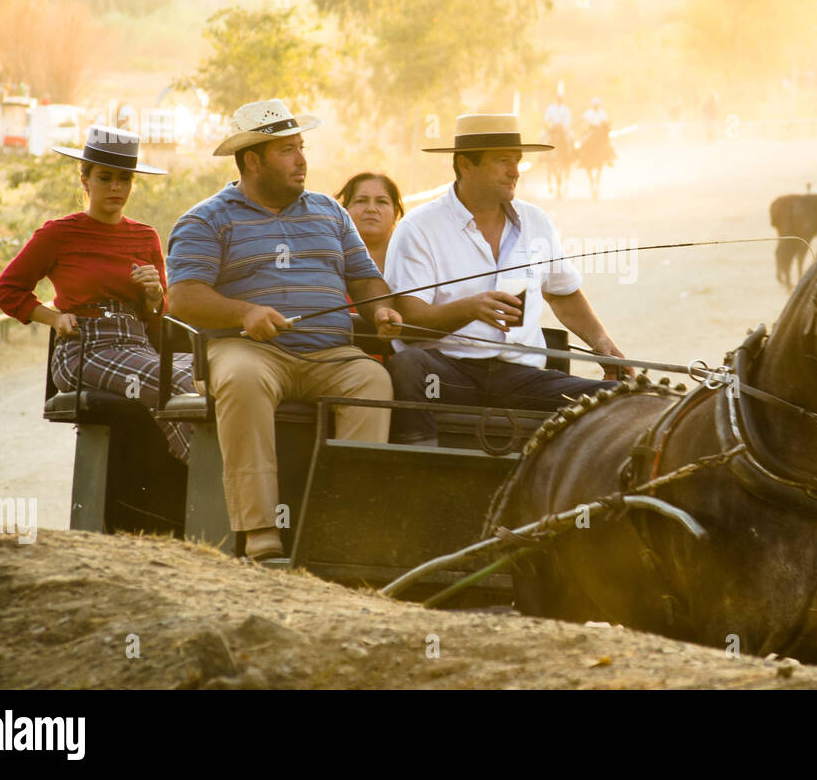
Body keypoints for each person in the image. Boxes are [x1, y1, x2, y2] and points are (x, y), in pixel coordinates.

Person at [165, 99, 402, 563]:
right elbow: (184, 297)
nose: (301, 160)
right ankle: (260, 533)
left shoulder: (331, 214)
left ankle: (342, 528)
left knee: (373, 380)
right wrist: (243, 312)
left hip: (330, 354)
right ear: (253, 160)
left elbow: (365, 278)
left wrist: (382, 311)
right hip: (250, 352)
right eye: (287, 151)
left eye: (301, 147)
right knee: (241, 379)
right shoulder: (206, 219)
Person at [384, 113, 628, 445]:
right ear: (465, 165)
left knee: (621, 396)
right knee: (409, 364)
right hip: (450, 376)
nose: (515, 171)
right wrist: (470, 308)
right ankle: (417, 464)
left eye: (517, 161)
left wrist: (604, 347)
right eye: (502, 161)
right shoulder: (420, 227)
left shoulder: (535, 221)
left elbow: (562, 294)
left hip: (523, 378)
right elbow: (409, 323)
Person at [0, 126, 195, 462]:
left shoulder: (145, 237)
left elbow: (158, 322)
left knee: (207, 371)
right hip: (84, 347)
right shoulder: (59, 234)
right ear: (85, 180)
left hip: (138, 344)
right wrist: (55, 318)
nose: (117, 187)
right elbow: (7, 290)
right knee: (171, 380)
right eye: (105, 177)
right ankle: (209, 477)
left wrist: (154, 296)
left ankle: (189, 481)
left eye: (125, 179)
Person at [336, 171, 404, 274]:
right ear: (345, 210)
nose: (371, 209)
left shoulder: (411, 259)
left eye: (381, 201)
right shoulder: (329, 260)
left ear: (396, 213)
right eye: (361, 201)